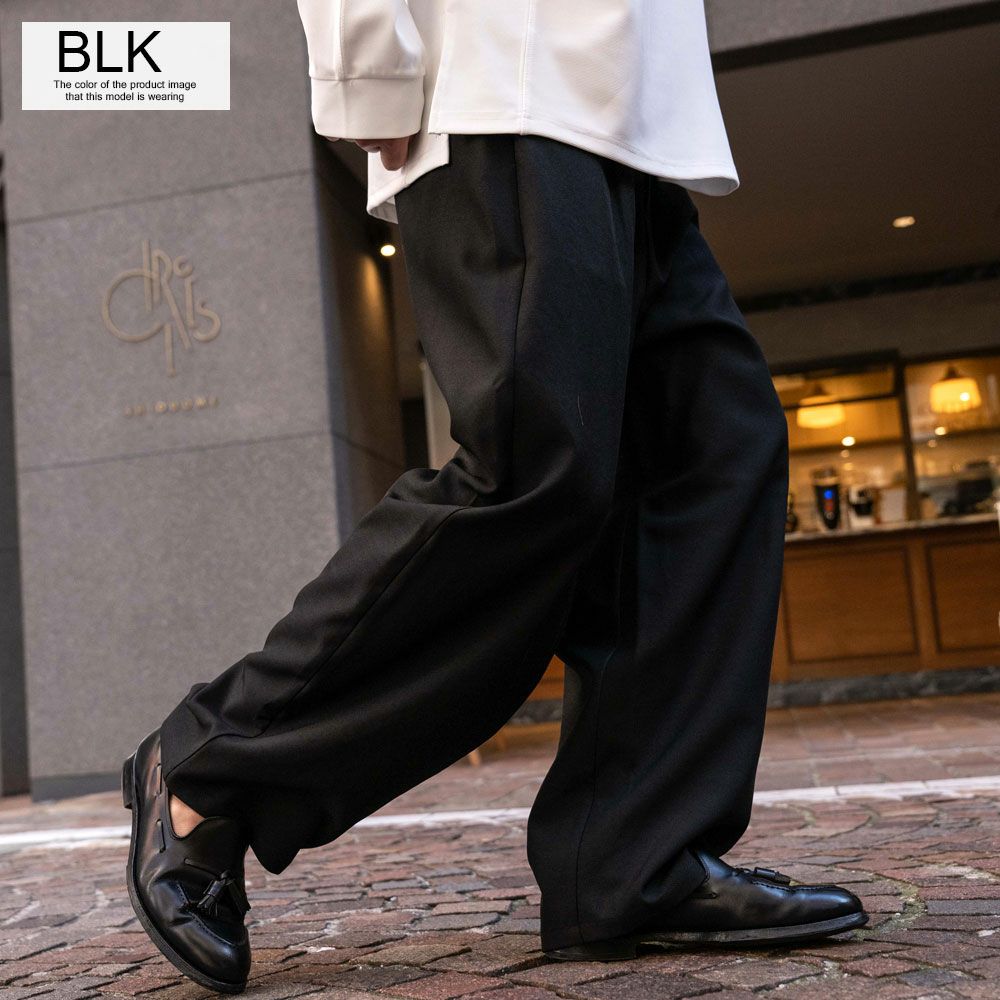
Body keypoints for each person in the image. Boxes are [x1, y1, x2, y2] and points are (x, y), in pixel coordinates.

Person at [121, 1, 868, 993]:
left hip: (633, 114)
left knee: (710, 452)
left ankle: (633, 859)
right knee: (533, 467)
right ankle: (211, 770)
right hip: (503, 79)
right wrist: (365, 66)